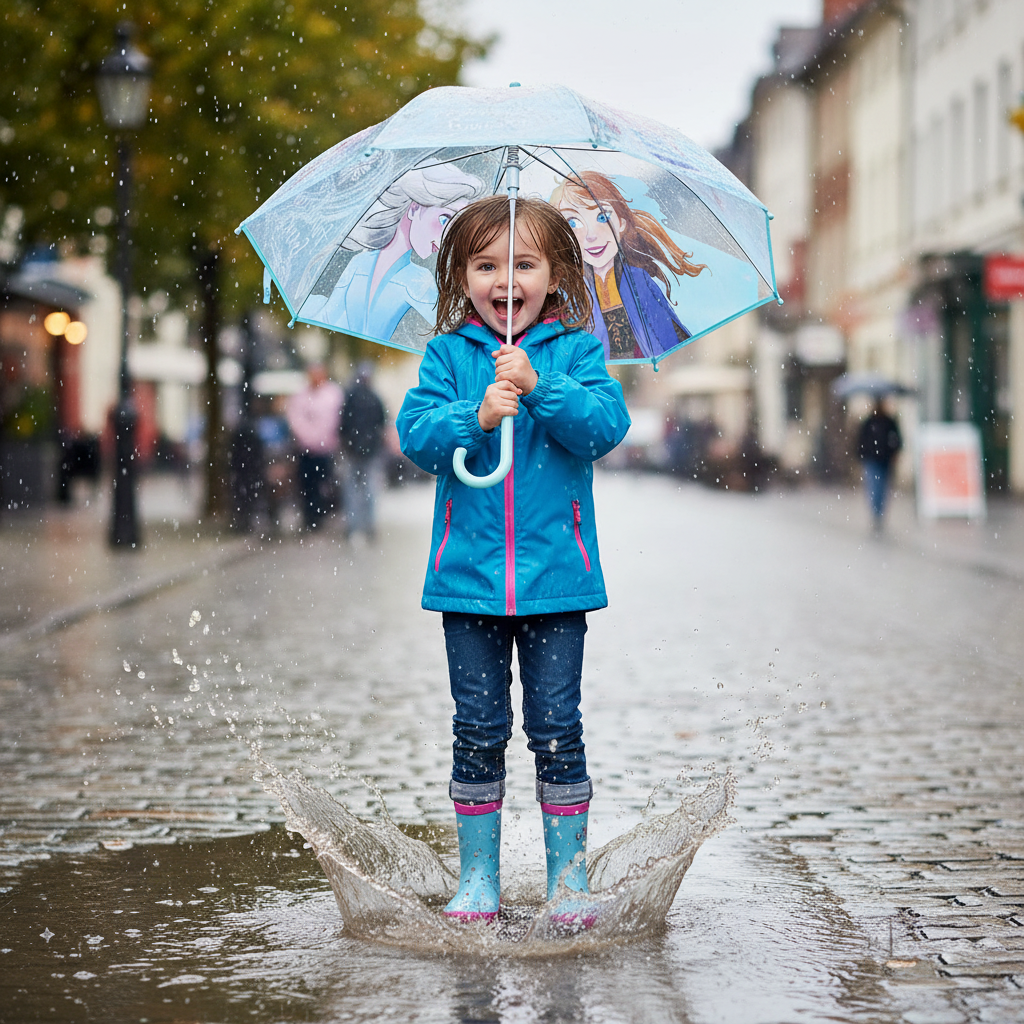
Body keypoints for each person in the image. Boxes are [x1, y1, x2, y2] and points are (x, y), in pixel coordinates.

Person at [397, 195, 631, 923]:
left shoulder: (576, 351)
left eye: (524, 263)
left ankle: (569, 882)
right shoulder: (448, 355)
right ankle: (479, 880)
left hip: (556, 582)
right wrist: (477, 414)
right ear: (461, 275)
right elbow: (416, 434)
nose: (506, 280)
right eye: (487, 264)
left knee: (557, 727)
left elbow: (603, 427)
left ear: (557, 270)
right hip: (467, 584)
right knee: (477, 729)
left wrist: (539, 386)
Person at [300, 164, 485, 343]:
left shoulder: (417, 280)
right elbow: (326, 316)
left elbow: (461, 328)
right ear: (414, 208)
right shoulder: (360, 264)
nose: (446, 238)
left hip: (373, 366)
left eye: (455, 228)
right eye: (444, 219)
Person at [551, 171, 707, 360]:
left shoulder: (639, 281)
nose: (591, 235)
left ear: (622, 223)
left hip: (638, 377)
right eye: (573, 223)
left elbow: (670, 340)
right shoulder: (568, 294)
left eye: (602, 217)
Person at [285, 363, 344, 531]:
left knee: (323, 484)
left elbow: (335, 420)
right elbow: (295, 419)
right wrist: (308, 436)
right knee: (307, 485)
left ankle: (319, 516)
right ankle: (310, 518)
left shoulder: (333, 394)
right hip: (306, 449)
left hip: (326, 449)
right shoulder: (300, 395)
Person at [340, 361, 386, 539]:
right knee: (368, 490)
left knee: (353, 489)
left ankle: (354, 526)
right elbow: (381, 425)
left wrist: (348, 443)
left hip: (354, 450)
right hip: (368, 450)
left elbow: (343, 424)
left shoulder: (350, 397)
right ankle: (368, 526)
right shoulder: (375, 398)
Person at [857, 398, 902, 529]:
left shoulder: (889, 422)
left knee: (881, 485)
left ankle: (879, 510)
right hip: (872, 459)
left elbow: (896, 439)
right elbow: (862, 441)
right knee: (874, 485)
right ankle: (876, 510)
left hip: (884, 459)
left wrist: (894, 451)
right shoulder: (869, 422)